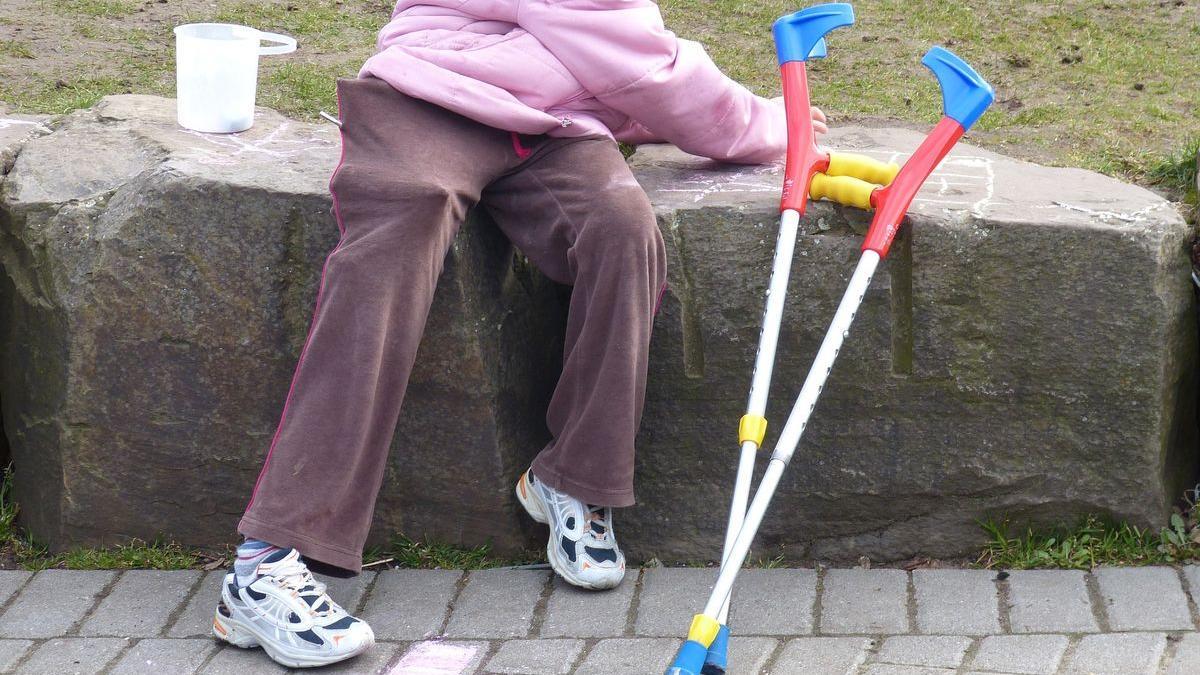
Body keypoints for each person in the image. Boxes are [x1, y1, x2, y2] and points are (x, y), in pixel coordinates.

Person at [210, 0, 827, 667]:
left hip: (551, 124)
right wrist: (766, 124)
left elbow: (622, 59)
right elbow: (639, 58)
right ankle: (265, 563)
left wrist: (646, 107)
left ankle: (574, 478)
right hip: (427, 97)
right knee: (393, 239)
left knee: (623, 229)